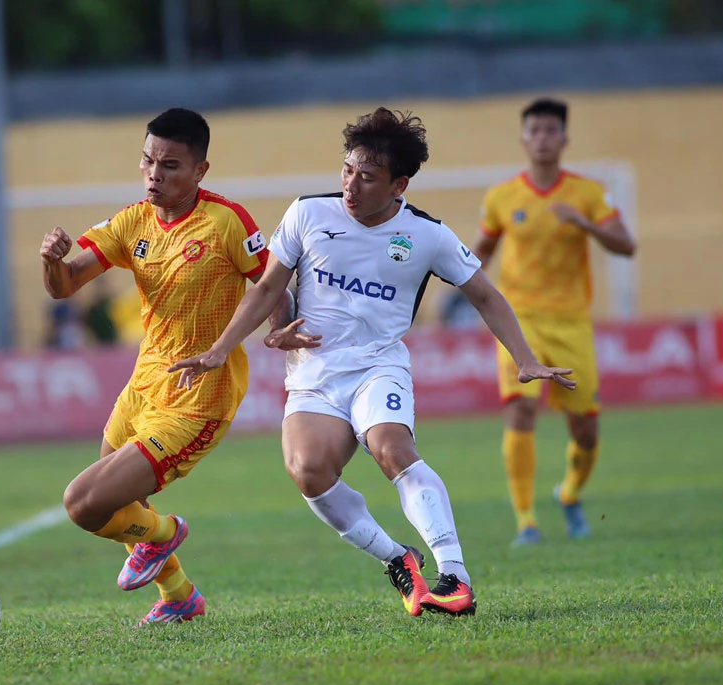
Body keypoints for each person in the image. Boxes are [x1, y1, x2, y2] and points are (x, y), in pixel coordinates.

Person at [170, 107, 575, 617]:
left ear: (399, 185)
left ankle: (454, 575)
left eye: (367, 177)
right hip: (314, 373)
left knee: (391, 448)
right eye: (347, 169)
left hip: (378, 365)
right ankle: (397, 558)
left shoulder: (427, 235)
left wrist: (525, 359)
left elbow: (487, 296)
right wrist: (220, 348)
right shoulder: (307, 214)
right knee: (308, 470)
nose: (351, 185)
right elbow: (269, 285)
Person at [39, 108, 275, 626]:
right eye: (148, 161)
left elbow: (274, 282)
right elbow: (66, 284)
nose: (154, 174)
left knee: (84, 503)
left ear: (200, 171)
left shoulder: (225, 223)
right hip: (143, 388)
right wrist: (52, 261)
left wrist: (284, 327)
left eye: (170, 165)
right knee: (114, 510)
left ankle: (167, 533)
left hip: (199, 397)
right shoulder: (132, 222)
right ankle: (180, 597)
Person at [470, 98, 636, 546]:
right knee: (520, 409)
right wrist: (453, 282)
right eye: (534, 130)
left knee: (585, 428)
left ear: (564, 138)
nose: (542, 138)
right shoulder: (502, 196)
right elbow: (481, 252)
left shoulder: (587, 193)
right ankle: (526, 520)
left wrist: (586, 224)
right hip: (518, 320)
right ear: (523, 139)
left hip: (571, 323)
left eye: (550, 130)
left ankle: (569, 493)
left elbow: (626, 245)